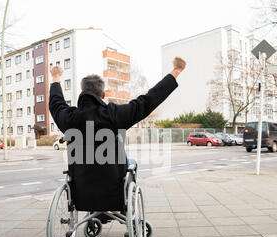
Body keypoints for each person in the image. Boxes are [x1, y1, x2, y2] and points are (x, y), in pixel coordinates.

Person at [49, 57, 186, 219]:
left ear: (82, 94)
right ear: (103, 95)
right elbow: (147, 101)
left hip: (82, 191)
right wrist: (175, 72)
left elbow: (56, 104)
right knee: (132, 163)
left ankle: (95, 211)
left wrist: (56, 78)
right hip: (113, 188)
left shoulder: (70, 118)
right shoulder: (114, 114)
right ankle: (127, 209)